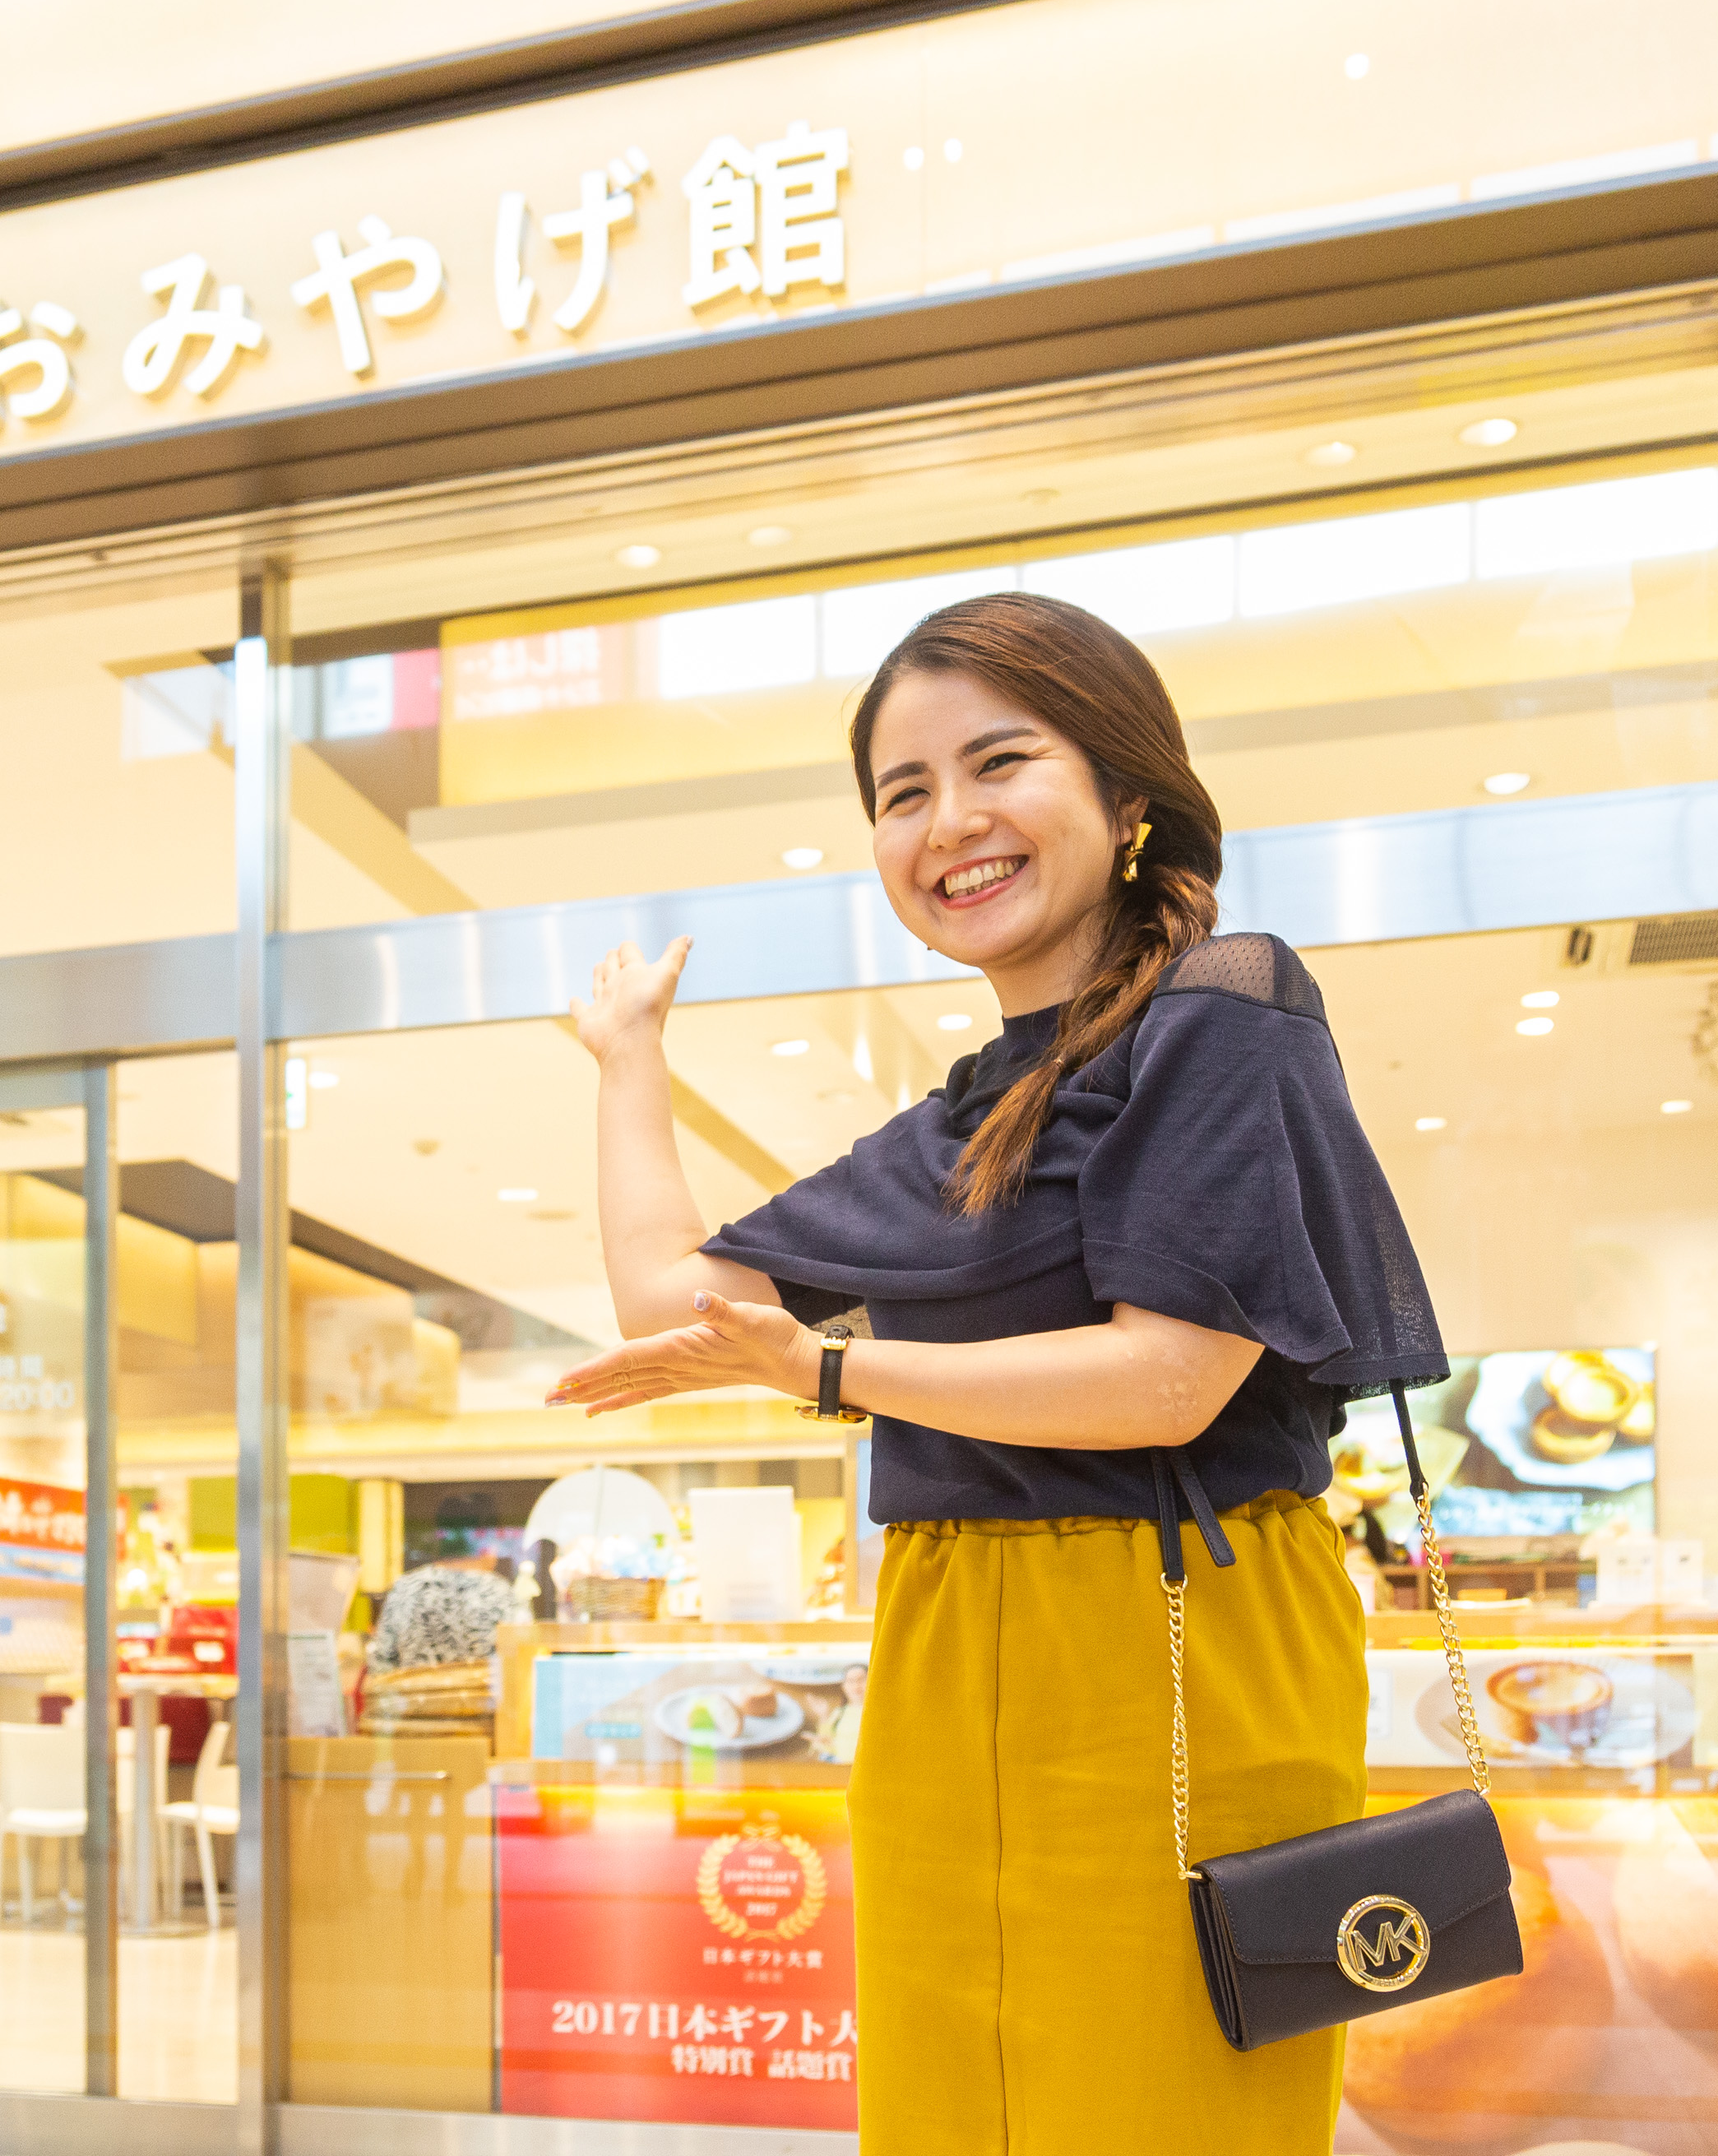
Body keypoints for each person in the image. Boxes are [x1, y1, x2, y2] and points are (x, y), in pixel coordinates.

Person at [550, 591, 1446, 2152]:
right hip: (944, 1629)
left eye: (995, 764)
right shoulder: (965, 1112)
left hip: (1175, 1622)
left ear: (1123, 790)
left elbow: (1166, 1378)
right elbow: (668, 1301)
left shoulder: (1225, 1007)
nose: (947, 823)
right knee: (948, 2098)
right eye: (902, 795)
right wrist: (632, 1062)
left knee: (1162, 2100)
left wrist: (828, 1381)